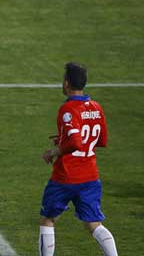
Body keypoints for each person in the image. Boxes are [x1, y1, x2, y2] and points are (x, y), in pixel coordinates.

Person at [39, 62, 118, 256]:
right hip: (90, 177)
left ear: (66, 83)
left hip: (65, 176)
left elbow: (75, 142)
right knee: (93, 224)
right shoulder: (96, 107)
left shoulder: (68, 110)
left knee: (48, 220)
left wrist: (55, 151)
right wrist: (64, 139)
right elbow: (101, 140)